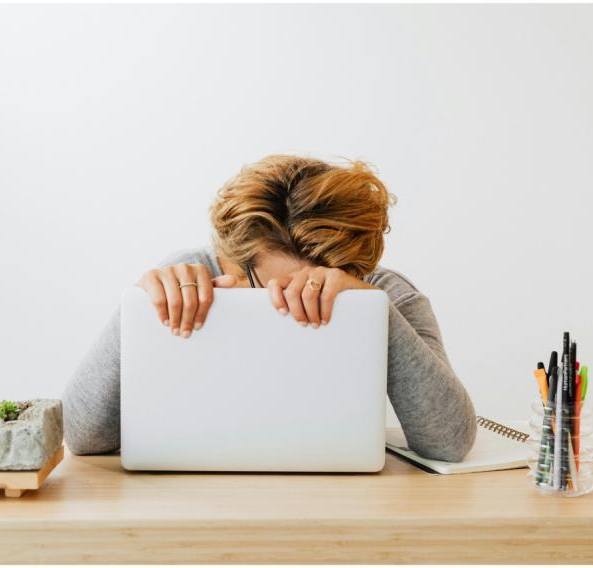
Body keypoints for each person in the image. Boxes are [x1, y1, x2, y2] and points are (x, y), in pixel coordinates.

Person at [62, 155, 477, 462]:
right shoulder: (190, 279)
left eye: (317, 283)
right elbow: (82, 436)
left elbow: (449, 442)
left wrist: (376, 313)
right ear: (241, 259)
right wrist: (136, 308)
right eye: (274, 284)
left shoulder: (384, 292)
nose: (297, 298)